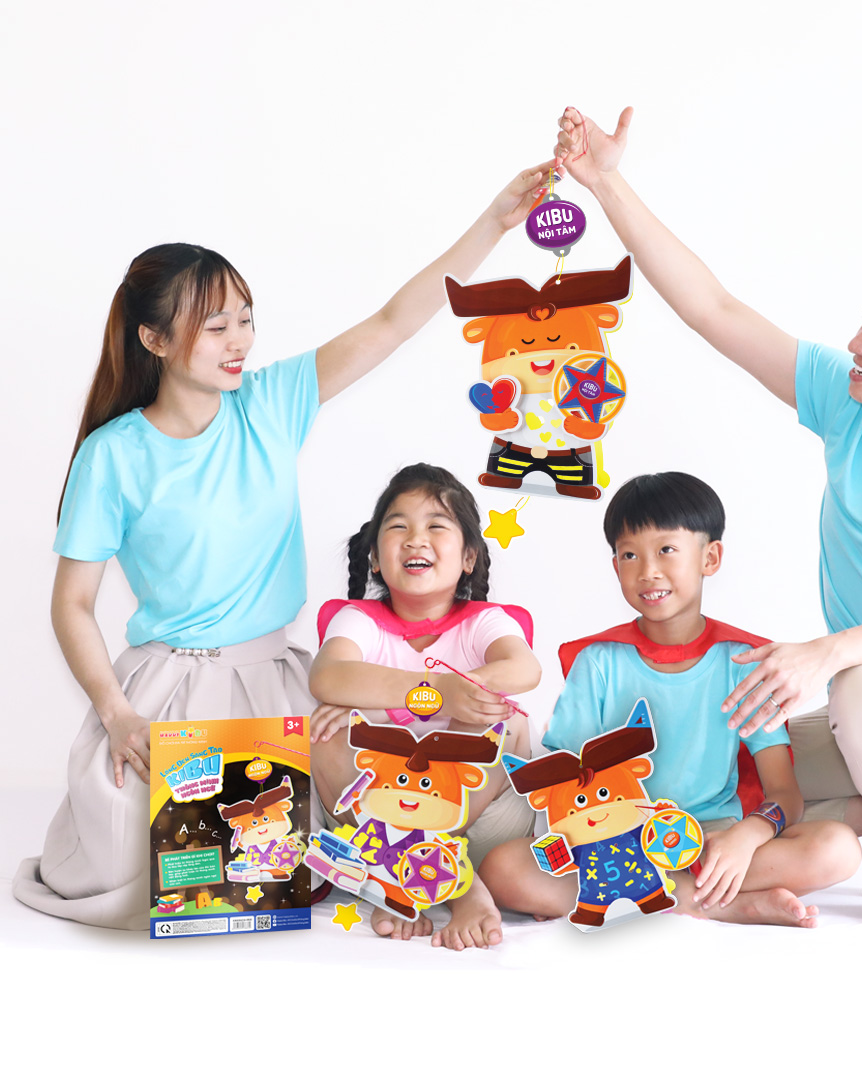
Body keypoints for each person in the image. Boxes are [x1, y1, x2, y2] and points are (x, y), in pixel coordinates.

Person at [14, 162, 558, 931]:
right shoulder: (114, 455)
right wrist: (117, 714)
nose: (239, 341)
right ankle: (385, 878)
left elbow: (391, 322)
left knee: (360, 808)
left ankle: (430, 882)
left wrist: (495, 222)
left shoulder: (268, 403)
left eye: (245, 319)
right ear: (154, 339)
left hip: (278, 684)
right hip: (167, 690)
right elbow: (72, 604)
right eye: (216, 327)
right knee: (142, 872)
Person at [553, 106, 862, 931]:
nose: (854, 343)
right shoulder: (850, 403)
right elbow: (714, 309)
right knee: (718, 752)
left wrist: (828, 652)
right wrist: (606, 184)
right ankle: (829, 840)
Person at [483, 473, 861, 928]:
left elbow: (784, 794)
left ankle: (667, 893)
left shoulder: (745, 664)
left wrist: (746, 837)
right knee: (503, 869)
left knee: (838, 848)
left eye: (666, 549)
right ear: (615, 566)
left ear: (710, 557)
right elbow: (569, 780)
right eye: (629, 555)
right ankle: (718, 904)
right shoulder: (599, 662)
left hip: (713, 841)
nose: (648, 571)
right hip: (613, 841)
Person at [309, 463, 541, 949]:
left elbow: (524, 669)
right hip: (375, 825)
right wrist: (436, 692)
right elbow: (327, 676)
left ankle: (422, 875)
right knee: (326, 730)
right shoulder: (359, 619)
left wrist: (453, 697)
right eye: (399, 527)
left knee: (497, 718)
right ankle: (449, 882)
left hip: (480, 819)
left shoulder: (484, 622)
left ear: (469, 557)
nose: (416, 539)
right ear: (375, 559)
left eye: (436, 526)